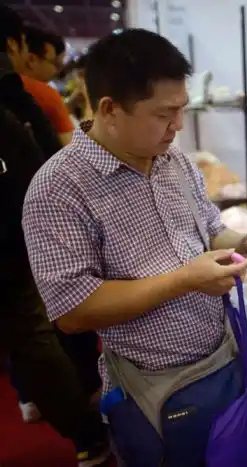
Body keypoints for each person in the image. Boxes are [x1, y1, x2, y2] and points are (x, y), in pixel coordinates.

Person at [22, 28, 247, 465]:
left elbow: (210, 231)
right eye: (164, 114)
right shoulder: (58, 189)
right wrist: (183, 281)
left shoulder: (174, 162)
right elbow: (73, 312)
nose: (178, 125)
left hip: (225, 359)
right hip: (153, 387)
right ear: (109, 109)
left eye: (182, 109)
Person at [0, 5, 111, 466]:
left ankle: (39, 397)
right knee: (41, 329)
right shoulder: (31, 97)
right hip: (18, 237)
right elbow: (59, 157)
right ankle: (87, 428)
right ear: (17, 46)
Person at [0, 7, 61, 159]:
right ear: (12, 44)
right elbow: (55, 155)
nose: (56, 70)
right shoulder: (14, 91)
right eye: (54, 63)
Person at [21, 26, 74, 145]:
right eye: (55, 64)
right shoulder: (45, 93)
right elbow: (71, 148)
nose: (57, 71)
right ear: (32, 59)